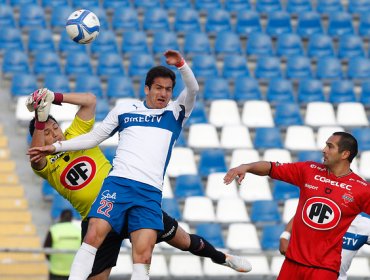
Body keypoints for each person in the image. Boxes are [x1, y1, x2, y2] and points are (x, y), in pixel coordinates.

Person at [27, 50, 251, 280]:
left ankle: (223, 258)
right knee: (95, 259)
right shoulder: (124, 111)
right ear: (147, 89)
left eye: (168, 89)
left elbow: (192, 90)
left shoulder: (174, 112)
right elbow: (67, 144)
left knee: (181, 242)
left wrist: (53, 97)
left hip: (142, 195)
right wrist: (46, 129)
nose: (163, 93)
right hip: (113, 198)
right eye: (158, 88)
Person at [224, 131, 370, 280]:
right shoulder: (309, 170)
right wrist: (246, 167)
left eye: (330, 146)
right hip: (292, 264)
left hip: (324, 269)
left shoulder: (361, 189)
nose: (324, 150)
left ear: (345, 154)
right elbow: (271, 167)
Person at [280, 213, 370, 280]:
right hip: (304, 273)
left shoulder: (366, 226)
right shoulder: (326, 212)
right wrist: (284, 236)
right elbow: (302, 212)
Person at [44, 209, 81, 280]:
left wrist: (52, 259)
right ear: (71, 219)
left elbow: (46, 249)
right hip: (73, 271)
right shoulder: (79, 231)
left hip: (56, 270)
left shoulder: (53, 229)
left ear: (60, 217)